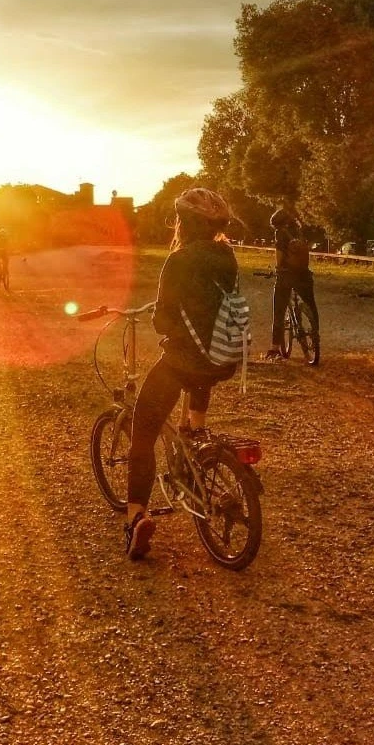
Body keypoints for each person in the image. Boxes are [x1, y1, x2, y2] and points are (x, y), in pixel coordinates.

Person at [124, 187, 241, 559]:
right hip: (222, 358)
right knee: (199, 372)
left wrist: (163, 317)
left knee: (142, 435)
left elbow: (162, 321)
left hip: (184, 361)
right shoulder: (227, 256)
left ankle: (136, 520)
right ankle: (196, 431)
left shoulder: (178, 261)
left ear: (184, 222)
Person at [263, 205, 320, 363]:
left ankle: (274, 349)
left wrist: (277, 268)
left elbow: (279, 258)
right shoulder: (300, 231)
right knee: (311, 305)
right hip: (304, 274)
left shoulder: (280, 233)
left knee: (279, 310)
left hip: (286, 275)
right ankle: (315, 334)